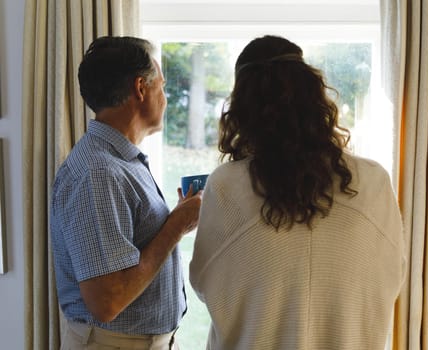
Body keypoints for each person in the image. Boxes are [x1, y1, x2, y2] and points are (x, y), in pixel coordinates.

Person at [189, 35, 406, 350]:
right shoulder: (372, 182)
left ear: (242, 110)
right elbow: (391, 278)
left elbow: (205, 283)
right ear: (314, 97)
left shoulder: (226, 186)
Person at [50, 36, 202, 349]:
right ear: (140, 88)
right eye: (161, 85)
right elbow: (107, 301)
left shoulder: (118, 163)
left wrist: (178, 218)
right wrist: (176, 226)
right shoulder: (99, 174)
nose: (165, 96)